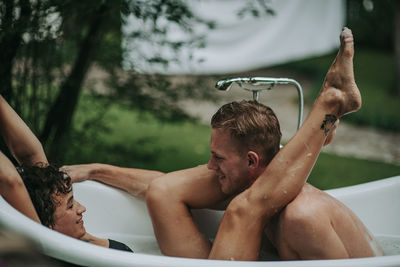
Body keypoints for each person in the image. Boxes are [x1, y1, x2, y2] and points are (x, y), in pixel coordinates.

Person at [64, 27, 384, 260]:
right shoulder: (243, 181)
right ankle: (328, 117)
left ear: (251, 161)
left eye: (218, 157)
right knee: (165, 193)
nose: (209, 165)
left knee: (242, 210)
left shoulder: (303, 217)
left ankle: (331, 103)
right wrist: (95, 170)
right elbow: (162, 185)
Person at [0, 95, 162, 252]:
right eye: (70, 206)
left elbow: (30, 155)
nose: (82, 208)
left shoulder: (67, 232)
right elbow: (10, 181)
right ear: (45, 226)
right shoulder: (42, 241)